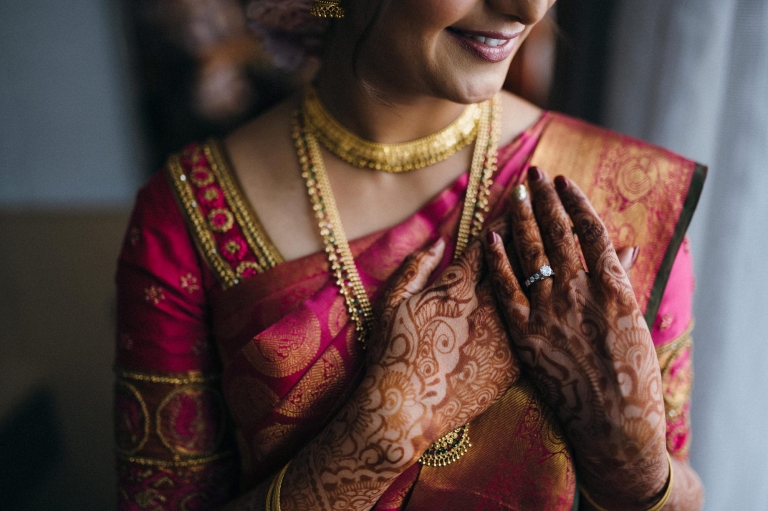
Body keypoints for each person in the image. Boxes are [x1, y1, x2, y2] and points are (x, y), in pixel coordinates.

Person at [113, 0, 705, 509]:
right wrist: (379, 433)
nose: (527, 9)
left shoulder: (621, 197)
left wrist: (636, 467)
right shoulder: (189, 220)